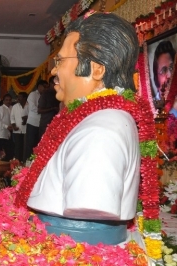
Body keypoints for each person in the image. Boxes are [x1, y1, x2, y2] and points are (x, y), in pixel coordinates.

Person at [27, 12, 141, 245]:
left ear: (96, 69)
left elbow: (90, 207)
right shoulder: (93, 118)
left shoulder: (100, 131)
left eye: (59, 61)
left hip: (73, 250)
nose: (52, 72)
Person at [23, 80, 47, 161]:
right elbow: (32, 108)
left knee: (38, 144)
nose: (46, 88)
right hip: (32, 123)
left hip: (40, 124)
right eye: (44, 86)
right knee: (30, 145)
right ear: (39, 86)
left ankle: (35, 163)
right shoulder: (33, 94)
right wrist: (42, 111)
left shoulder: (45, 95)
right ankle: (27, 163)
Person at [10, 92, 28, 161]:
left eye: (20, 97)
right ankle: (17, 163)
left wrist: (26, 120)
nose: (18, 98)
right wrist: (14, 126)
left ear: (25, 98)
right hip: (17, 130)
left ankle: (24, 162)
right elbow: (12, 118)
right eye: (18, 97)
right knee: (17, 148)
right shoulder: (15, 106)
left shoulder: (28, 106)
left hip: (26, 130)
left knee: (25, 148)